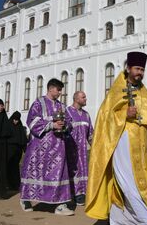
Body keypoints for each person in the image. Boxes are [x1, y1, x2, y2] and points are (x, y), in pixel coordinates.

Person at [85, 52, 147, 225]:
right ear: (128, 68)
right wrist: (124, 114)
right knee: (129, 182)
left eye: (142, 69)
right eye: (137, 69)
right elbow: (105, 118)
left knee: (130, 182)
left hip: (140, 145)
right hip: (121, 142)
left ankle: (118, 219)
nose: (140, 73)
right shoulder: (117, 90)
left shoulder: (143, 92)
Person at [20, 79, 74, 215]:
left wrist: (64, 125)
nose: (60, 93)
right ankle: (26, 199)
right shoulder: (39, 103)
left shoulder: (62, 106)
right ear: (51, 89)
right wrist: (51, 125)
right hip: (40, 147)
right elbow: (31, 121)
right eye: (58, 90)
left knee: (59, 173)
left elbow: (69, 121)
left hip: (58, 147)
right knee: (35, 171)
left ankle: (60, 205)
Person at [64, 91, 93, 206]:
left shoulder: (86, 115)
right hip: (70, 149)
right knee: (72, 171)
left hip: (83, 151)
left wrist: (95, 146)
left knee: (83, 171)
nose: (86, 99)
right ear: (76, 99)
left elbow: (90, 134)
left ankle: (81, 194)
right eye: (83, 97)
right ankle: (71, 194)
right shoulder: (67, 112)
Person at [7, 111, 27, 191]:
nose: (16, 121)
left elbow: (23, 140)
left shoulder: (20, 128)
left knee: (15, 168)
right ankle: (7, 184)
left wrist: (25, 150)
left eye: (17, 120)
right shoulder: (8, 126)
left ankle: (15, 185)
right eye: (14, 119)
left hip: (17, 152)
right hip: (9, 151)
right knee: (8, 167)